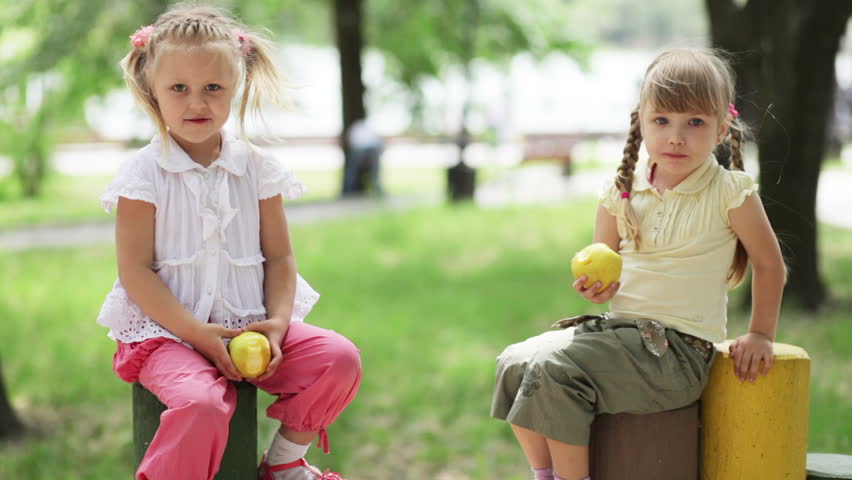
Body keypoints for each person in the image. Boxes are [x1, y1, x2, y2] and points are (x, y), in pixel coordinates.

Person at [490, 48, 787, 480]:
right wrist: (598, 289)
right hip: (620, 338)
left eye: (695, 123)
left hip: (679, 355)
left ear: (722, 128)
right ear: (641, 121)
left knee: (555, 373)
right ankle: (545, 473)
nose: (676, 137)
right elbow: (603, 270)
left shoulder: (730, 191)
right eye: (662, 121)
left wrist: (761, 333)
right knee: (514, 362)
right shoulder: (621, 191)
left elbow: (770, 263)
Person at [96, 5, 361, 480]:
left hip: (248, 325)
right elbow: (134, 271)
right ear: (152, 91)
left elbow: (279, 256)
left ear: (235, 88)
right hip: (166, 335)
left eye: (212, 88)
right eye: (179, 88)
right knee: (202, 404)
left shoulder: (257, 168)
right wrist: (197, 335)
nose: (197, 103)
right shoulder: (144, 173)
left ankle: (283, 464)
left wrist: (278, 323)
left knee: (338, 359)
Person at [343, 118, 383, 196]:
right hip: (362, 149)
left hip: (362, 149)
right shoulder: (370, 127)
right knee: (354, 171)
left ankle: (348, 191)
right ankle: (349, 190)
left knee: (354, 171)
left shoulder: (359, 127)